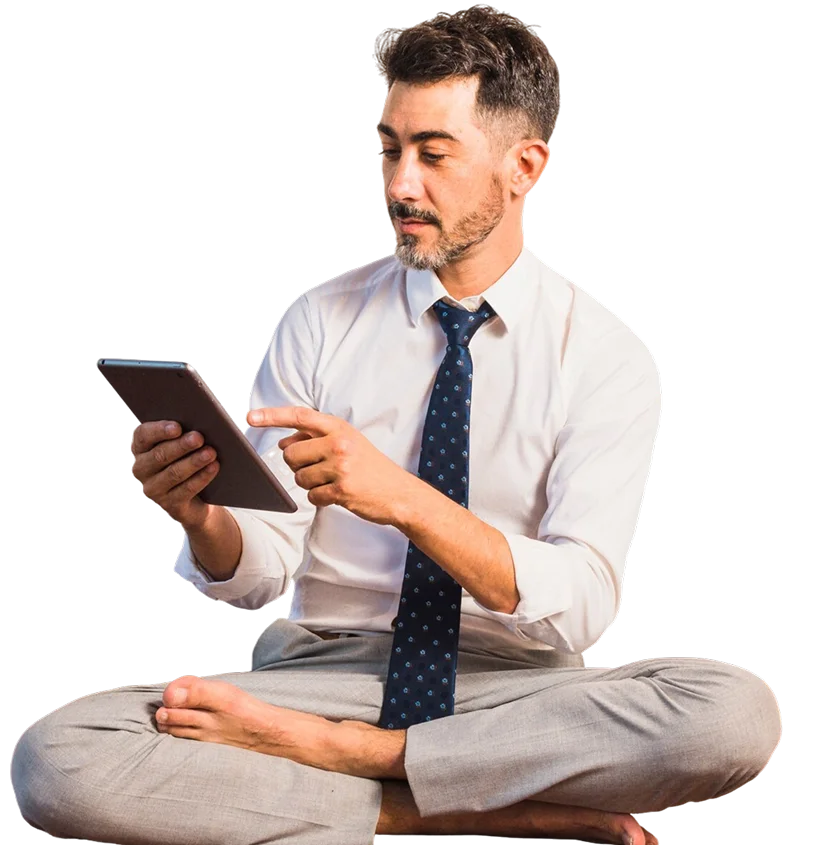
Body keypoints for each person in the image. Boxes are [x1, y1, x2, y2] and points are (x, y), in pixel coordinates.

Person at [13, 7, 781, 844]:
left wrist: (406, 500)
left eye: (433, 155)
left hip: (516, 694)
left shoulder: (606, 353)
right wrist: (205, 519)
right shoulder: (318, 319)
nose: (399, 185)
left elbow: (582, 609)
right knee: (58, 757)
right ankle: (437, 808)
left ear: (525, 165)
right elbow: (263, 573)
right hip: (323, 676)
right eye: (390, 148)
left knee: (734, 713)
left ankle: (353, 760)